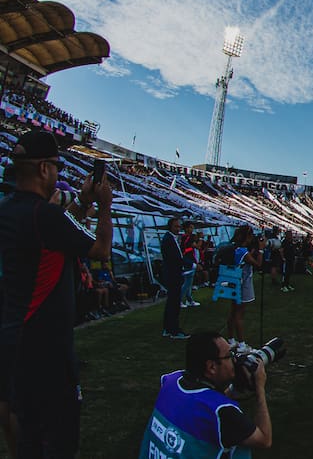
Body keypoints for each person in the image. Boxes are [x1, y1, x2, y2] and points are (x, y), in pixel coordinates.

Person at [0, 130, 113, 456]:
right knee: (58, 439)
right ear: (44, 169)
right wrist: (104, 204)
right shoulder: (44, 216)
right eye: (57, 166)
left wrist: (82, 201)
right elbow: (101, 249)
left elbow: (57, 234)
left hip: (16, 337)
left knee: (26, 434)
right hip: (46, 349)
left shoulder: (9, 210)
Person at [140, 331, 272, 457]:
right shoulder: (222, 412)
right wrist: (260, 389)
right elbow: (264, 439)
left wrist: (231, 392)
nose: (235, 360)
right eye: (230, 355)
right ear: (211, 367)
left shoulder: (170, 381)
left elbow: (196, 407)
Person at [161, 217, 189, 339]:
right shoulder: (168, 239)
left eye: (179, 227)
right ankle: (173, 330)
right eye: (176, 226)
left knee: (172, 303)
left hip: (174, 274)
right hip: (173, 275)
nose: (178, 229)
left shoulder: (171, 239)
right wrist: (191, 264)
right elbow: (175, 259)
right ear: (170, 227)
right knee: (173, 303)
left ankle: (169, 328)